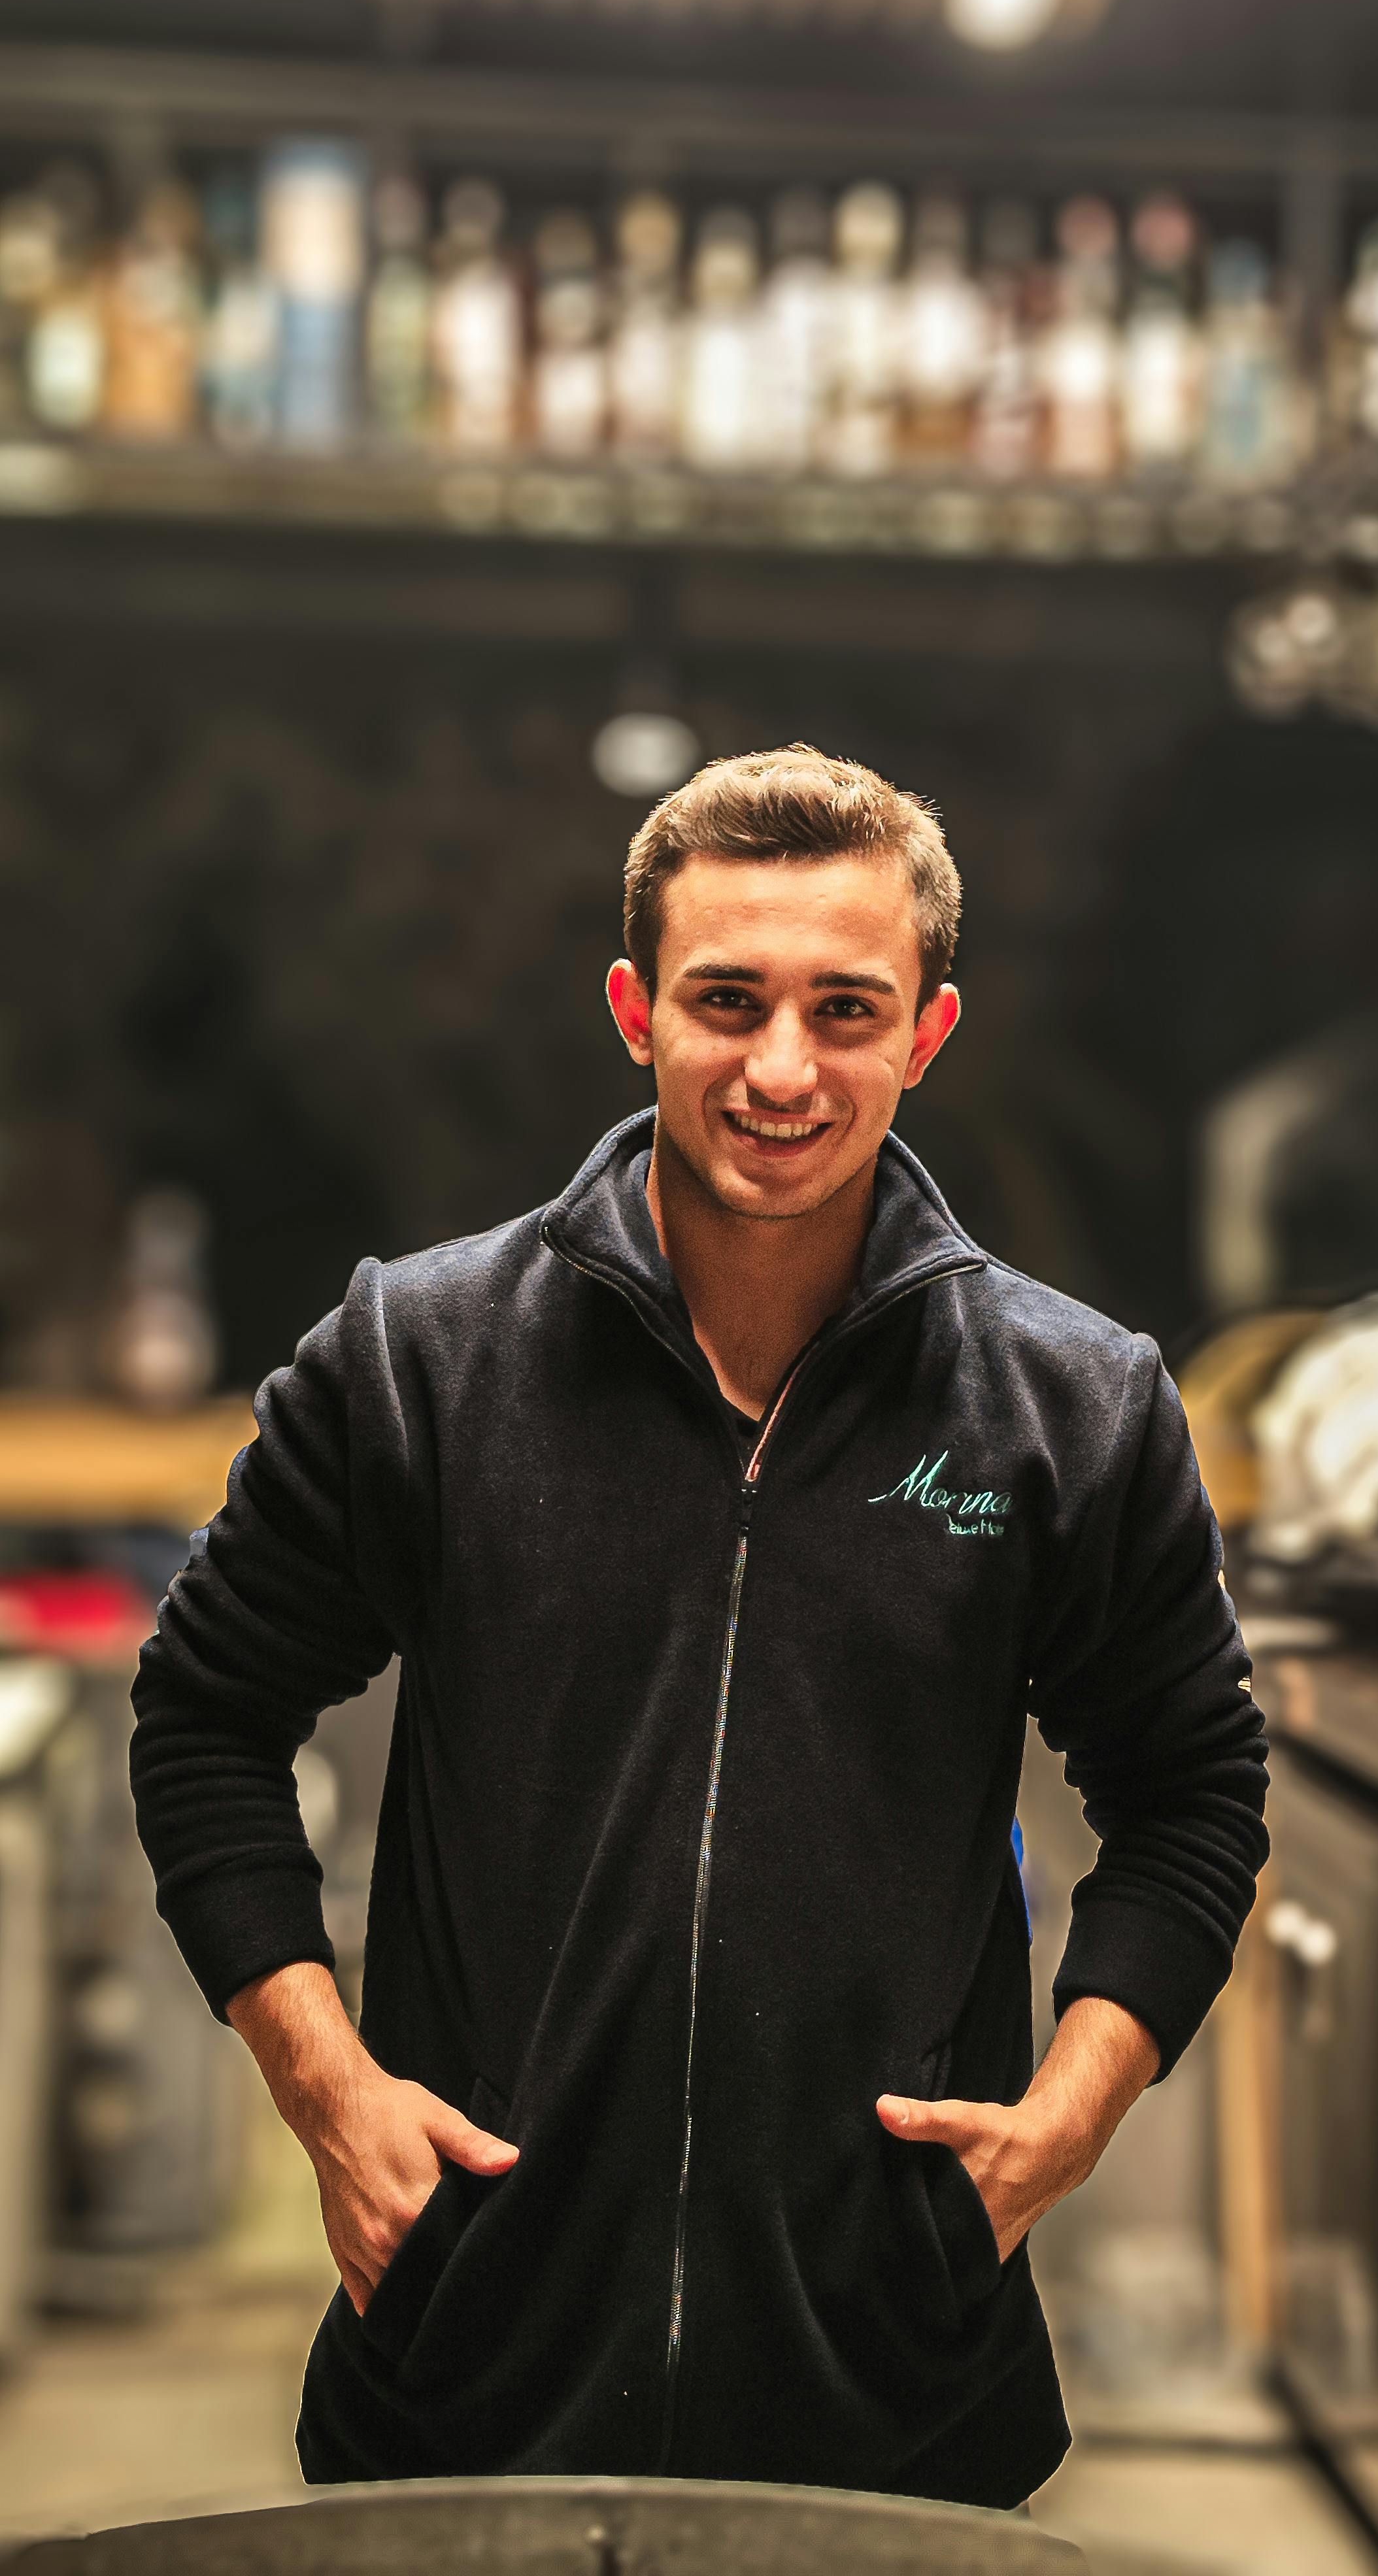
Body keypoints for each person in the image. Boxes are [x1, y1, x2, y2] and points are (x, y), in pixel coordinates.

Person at [130, 743, 1268, 2511]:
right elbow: (205, 1715)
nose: (783, 1069)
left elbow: (1193, 1789)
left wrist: (1067, 2119)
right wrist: (327, 2084)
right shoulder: (419, 1365)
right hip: (467, 2363)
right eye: (726, 1002)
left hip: (890, 2384)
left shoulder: (1071, 1407)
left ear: (927, 1034)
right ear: (635, 1011)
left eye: (846, 1008)